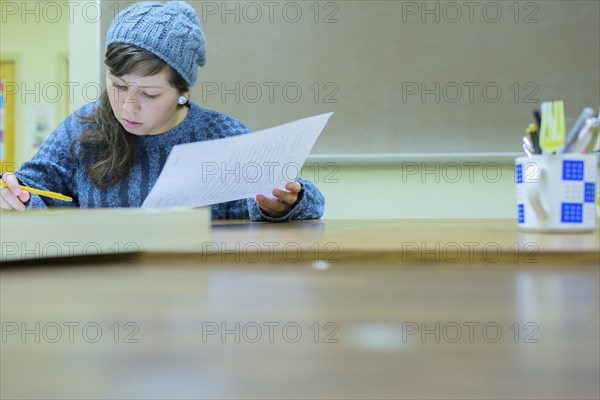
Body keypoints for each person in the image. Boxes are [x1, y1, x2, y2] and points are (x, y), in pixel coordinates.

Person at [0, 0, 324, 222]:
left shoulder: (221, 135)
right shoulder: (84, 128)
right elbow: (35, 188)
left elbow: (307, 201)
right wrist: (16, 195)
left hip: (198, 299)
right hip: (108, 300)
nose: (127, 106)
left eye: (150, 94)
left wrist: (285, 204)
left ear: (182, 92)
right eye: (118, 85)